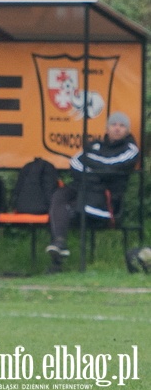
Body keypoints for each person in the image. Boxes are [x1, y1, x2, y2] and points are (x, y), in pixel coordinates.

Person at [45, 111, 139, 273]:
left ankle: (57, 261)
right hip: (83, 186)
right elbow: (75, 163)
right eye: (114, 125)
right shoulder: (95, 144)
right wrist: (93, 171)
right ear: (107, 128)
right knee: (59, 195)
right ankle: (59, 243)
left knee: (69, 209)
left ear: (127, 130)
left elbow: (111, 167)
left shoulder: (130, 149)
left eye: (122, 126)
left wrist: (90, 164)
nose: (117, 129)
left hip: (105, 198)